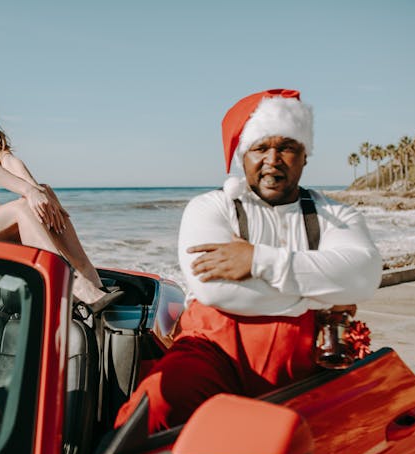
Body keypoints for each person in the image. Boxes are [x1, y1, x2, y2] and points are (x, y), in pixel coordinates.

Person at [114, 89, 382, 433]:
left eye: (286, 147)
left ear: (304, 157)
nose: (273, 159)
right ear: (244, 157)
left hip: (303, 360)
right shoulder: (212, 208)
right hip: (213, 353)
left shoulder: (335, 214)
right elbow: (216, 292)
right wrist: (323, 290)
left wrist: (256, 260)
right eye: (260, 148)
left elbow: (364, 276)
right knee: (155, 409)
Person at [0, 76, 122, 312]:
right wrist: (28, 192)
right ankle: (68, 283)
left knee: (44, 191)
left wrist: (39, 193)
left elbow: (11, 163)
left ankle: (90, 279)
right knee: (21, 206)